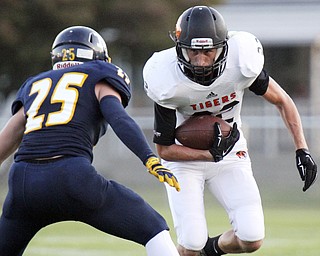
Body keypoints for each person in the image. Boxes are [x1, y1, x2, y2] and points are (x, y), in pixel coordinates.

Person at [143, 6, 317, 256]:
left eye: (208, 51)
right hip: (185, 158)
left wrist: (302, 149)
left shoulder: (241, 61)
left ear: (223, 47)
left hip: (231, 149)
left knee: (251, 238)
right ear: (180, 47)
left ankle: (210, 250)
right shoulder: (166, 80)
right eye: (193, 51)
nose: (200, 60)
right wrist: (209, 155)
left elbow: (282, 101)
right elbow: (165, 150)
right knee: (191, 243)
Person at [0, 25, 181, 256]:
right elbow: (118, 118)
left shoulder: (36, 84)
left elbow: (10, 135)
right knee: (153, 228)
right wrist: (149, 158)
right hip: (71, 176)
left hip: (23, 182)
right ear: (95, 55)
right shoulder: (98, 74)